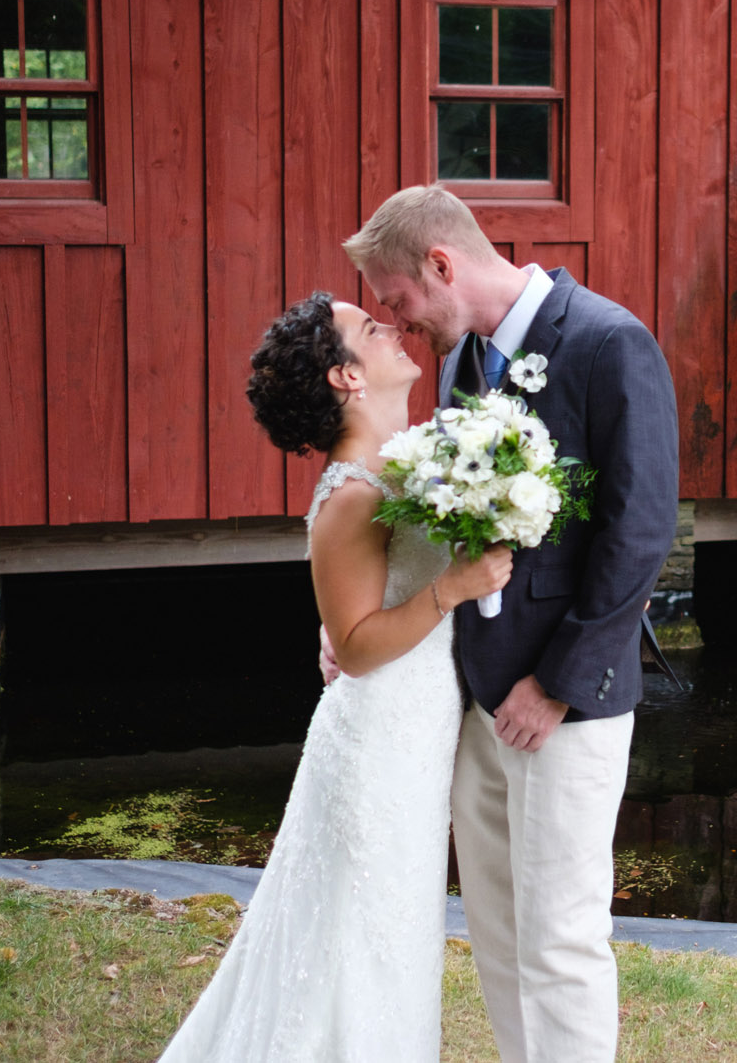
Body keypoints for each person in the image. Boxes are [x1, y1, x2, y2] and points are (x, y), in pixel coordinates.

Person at [345, 186, 679, 1063]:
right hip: (475, 694)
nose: (399, 322)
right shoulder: (462, 360)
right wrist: (365, 615)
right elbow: (446, 522)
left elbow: (639, 532)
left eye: (399, 300)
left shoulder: (610, 342)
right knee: (494, 924)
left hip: (562, 703)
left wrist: (558, 685)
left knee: (561, 934)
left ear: (442, 265)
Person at [157, 291, 512, 1063]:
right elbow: (353, 646)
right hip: (378, 744)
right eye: (370, 329)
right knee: (362, 932)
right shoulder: (349, 495)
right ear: (346, 376)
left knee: (394, 926)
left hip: (415, 735)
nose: (393, 329)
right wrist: (452, 586)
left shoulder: (405, 459)